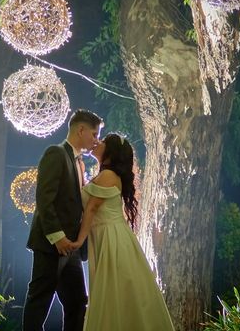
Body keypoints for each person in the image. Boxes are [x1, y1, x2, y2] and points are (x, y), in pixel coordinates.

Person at [74, 133, 175, 331]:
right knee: (114, 292)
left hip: (111, 237)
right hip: (109, 234)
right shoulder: (105, 174)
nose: (97, 142)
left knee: (113, 290)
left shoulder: (108, 176)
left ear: (111, 152)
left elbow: (92, 208)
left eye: (102, 141)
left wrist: (79, 241)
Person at [22, 109, 103, 331]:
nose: (96, 140)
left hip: (72, 249)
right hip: (51, 244)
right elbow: (44, 199)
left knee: (77, 302)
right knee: (40, 300)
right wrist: (57, 237)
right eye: (94, 134)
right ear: (81, 130)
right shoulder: (56, 153)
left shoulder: (80, 163)